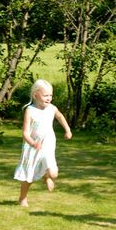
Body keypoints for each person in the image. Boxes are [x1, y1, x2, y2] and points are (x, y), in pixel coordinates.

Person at [14, 79, 72, 207]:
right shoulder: (30, 110)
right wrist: (33, 143)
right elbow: (25, 133)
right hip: (32, 148)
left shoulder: (52, 108)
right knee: (28, 175)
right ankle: (22, 198)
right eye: (46, 95)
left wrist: (67, 130)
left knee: (54, 173)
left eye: (50, 95)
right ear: (35, 95)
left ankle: (47, 176)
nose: (49, 98)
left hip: (48, 145)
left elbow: (60, 117)